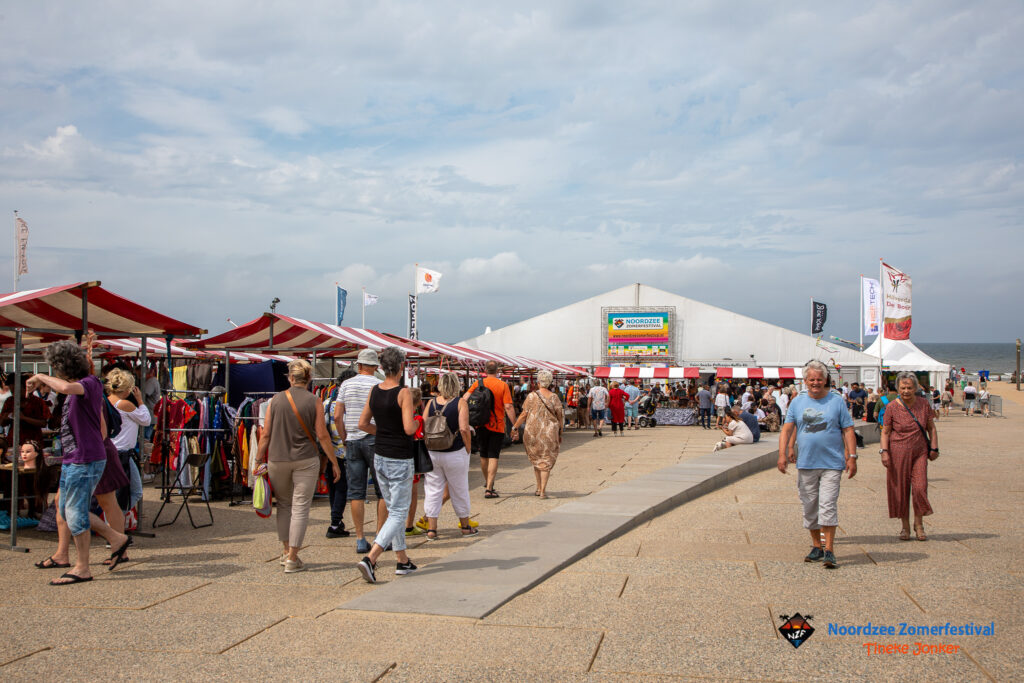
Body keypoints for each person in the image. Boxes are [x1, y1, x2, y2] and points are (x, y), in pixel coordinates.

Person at [27, 340, 131, 585]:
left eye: (55, 366)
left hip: (85, 458)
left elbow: (64, 387)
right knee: (67, 509)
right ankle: (116, 539)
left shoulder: (89, 384)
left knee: (76, 512)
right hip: (76, 458)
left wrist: (40, 376)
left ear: (62, 366)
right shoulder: (85, 385)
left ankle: (83, 567)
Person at [255, 359, 341, 574]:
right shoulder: (314, 401)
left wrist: (257, 460)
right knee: (301, 507)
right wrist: (333, 461)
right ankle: (293, 557)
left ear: (291, 378)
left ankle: (286, 551)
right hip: (306, 459)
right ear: (309, 378)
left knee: (284, 505)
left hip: (278, 459)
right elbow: (322, 435)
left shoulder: (275, 400)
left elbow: (265, 434)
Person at [777, 360, 857, 569]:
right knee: (810, 505)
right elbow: (787, 429)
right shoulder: (797, 402)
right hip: (806, 463)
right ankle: (816, 546)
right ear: (805, 381)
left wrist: (852, 456)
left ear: (825, 380)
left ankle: (829, 549)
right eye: (811, 379)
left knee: (827, 504)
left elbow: (848, 429)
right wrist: (783, 453)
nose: (815, 383)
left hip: (832, 463)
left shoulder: (836, 401)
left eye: (819, 379)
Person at [356, 347, 419, 584]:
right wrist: (417, 422)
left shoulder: (374, 390)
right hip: (399, 456)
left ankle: (402, 560)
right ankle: (371, 558)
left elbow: (363, 424)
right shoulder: (403, 393)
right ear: (401, 367)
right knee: (400, 511)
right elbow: (408, 428)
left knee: (394, 509)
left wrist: (382, 432)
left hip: (380, 455)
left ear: (381, 367)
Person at [336, 349, 384, 554]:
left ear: (359, 365)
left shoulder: (346, 385)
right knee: (382, 490)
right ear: (375, 367)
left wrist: (344, 437)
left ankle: (360, 538)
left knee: (356, 492)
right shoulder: (378, 385)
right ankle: (380, 536)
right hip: (374, 438)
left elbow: (337, 415)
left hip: (353, 440)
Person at [880, 372, 938, 542]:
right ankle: (905, 527)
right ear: (898, 388)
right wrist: (884, 452)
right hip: (898, 451)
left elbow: (931, 428)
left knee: (920, 488)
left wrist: (934, 447)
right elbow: (885, 432)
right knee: (901, 490)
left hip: (920, 452)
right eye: (903, 388)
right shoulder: (891, 407)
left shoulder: (923, 404)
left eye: (909, 388)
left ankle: (919, 524)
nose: (906, 391)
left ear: (916, 388)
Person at [422, 373, 476, 538]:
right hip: (455, 451)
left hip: (433, 452)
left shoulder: (431, 403)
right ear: (456, 385)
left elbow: (423, 424)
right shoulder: (460, 402)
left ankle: (432, 529)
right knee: (459, 489)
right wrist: (468, 448)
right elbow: (464, 428)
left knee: (433, 490)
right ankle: (465, 526)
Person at [465, 361, 515, 498]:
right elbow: (508, 407)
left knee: (483, 455)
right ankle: (489, 488)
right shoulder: (503, 385)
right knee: (493, 455)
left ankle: (488, 482)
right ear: (497, 371)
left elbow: (465, 398)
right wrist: (514, 425)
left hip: (480, 424)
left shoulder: (478, 383)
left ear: (485, 370)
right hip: (497, 425)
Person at [512, 370, 564, 498]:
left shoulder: (531, 396)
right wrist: (560, 432)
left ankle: (538, 488)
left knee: (536, 460)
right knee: (546, 461)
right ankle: (542, 491)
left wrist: (515, 427)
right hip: (549, 433)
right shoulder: (554, 397)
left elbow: (523, 414)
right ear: (550, 382)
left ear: (538, 382)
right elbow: (560, 416)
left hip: (532, 432)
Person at [106, 368, 149, 521]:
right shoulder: (124, 404)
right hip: (122, 452)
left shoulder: (106, 401)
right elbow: (146, 420)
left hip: (111, 450)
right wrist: (140, 400)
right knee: (134, 491)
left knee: (114, 492)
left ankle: (112, 519)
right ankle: (115, 519)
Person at [323, 366, 355, 539]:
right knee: (342, 488)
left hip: (329, 452)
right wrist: (345, 440)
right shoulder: (348, 405)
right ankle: (335, 523)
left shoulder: (327, 403)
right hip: (345, 451)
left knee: (333, 488)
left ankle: (336, 520)